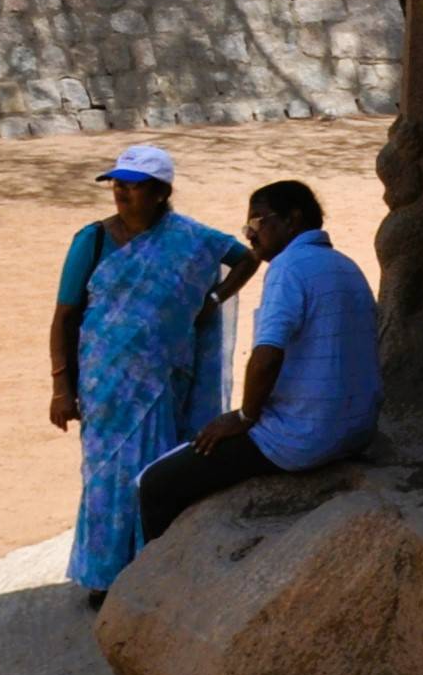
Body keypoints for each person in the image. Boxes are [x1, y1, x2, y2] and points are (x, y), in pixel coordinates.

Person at [48, 145, 257, 596]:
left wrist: (214, 299)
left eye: (134, 185)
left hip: (165, 380)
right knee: (104, 475)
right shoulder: (92, 240)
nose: (121, 192)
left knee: (155, 469)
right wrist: (62, 388)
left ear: (161, 192)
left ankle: (152, 564)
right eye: (117, 183)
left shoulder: (190, 238)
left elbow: (247, 258)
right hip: (105, 383)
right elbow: (65, 316)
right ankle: (104, 577)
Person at [136, 181, 380, 545]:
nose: (250, 235)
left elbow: (266, 358)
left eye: (256, 222)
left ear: (292, 219)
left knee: (155, 483)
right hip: (358, 431)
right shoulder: (347, 266)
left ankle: (161, 575)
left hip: (303, 438)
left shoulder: (287, 268)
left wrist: (243, 417)